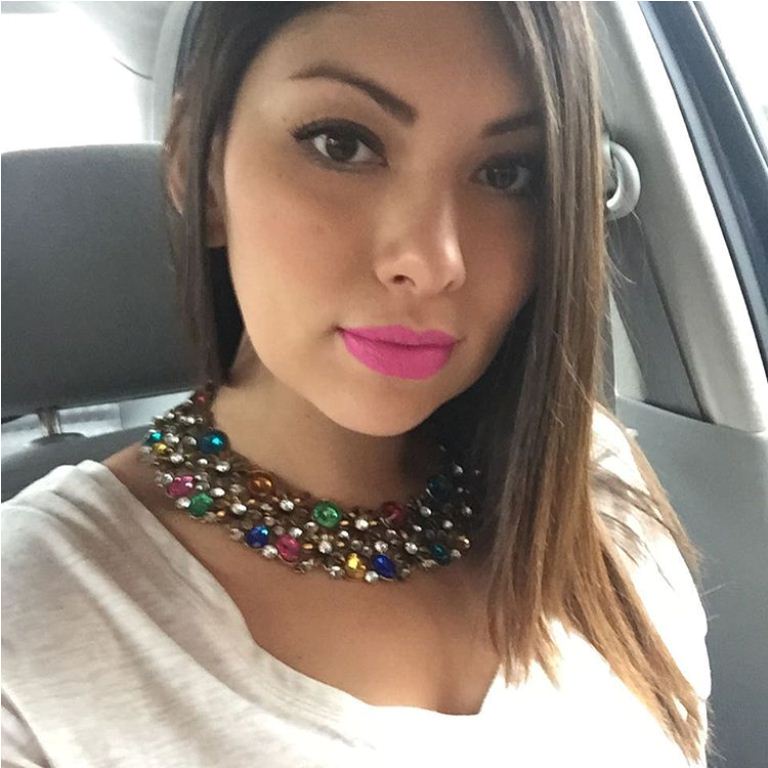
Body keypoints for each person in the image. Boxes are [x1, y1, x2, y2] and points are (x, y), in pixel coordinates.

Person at [1, 2, 712, 766]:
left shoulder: (594, 492)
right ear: (200, 173)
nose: (433, 261)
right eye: (342, 144)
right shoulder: (29, 631)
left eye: (507, 173)